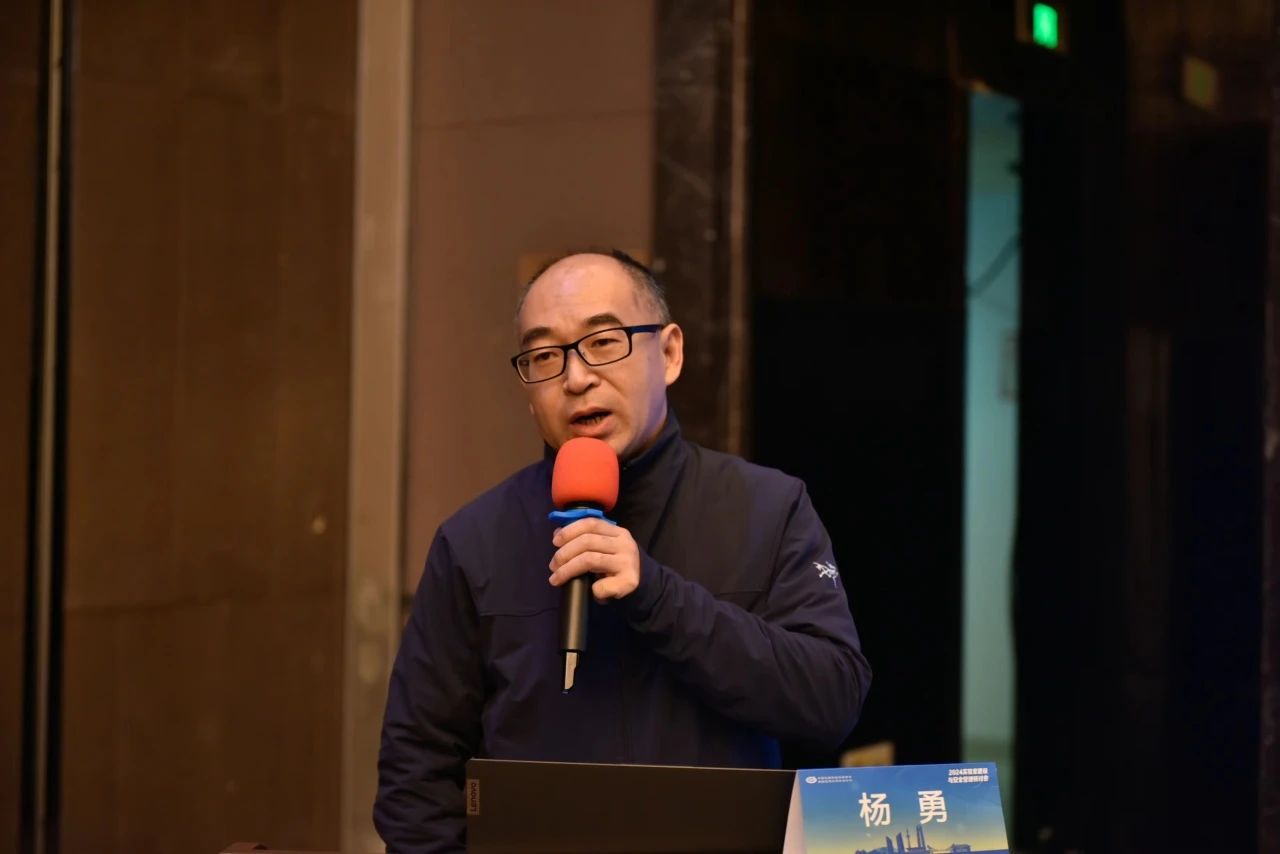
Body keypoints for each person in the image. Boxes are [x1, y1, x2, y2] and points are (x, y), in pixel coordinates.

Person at [374, 249, 871, 852]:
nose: (575, 378)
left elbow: (830, 699)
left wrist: (658, 596)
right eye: (545, 356)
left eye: (603, 342)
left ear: (670, 354)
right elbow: (415, 771)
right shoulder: (473, 541)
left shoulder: (767, 509)